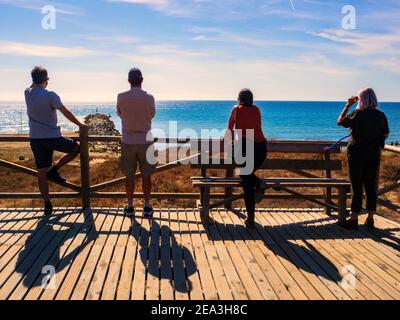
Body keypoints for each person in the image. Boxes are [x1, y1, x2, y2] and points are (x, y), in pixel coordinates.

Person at [25, 66, 87, 216]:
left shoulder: (27, 93)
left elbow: (31, 86)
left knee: (41, 172)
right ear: (46, 80)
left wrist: (36, 82)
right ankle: (55, 169)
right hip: (52, 137)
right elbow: (65, 112)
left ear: (33, 80)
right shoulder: (51, 95)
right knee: (76, 148)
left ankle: (47, 204)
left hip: (35, 138)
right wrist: (80, 125)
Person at [337, 88, 389, 230]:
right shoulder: (381, 115)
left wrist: (348, 105)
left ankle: (354, 220)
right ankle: (370, 219)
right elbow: (385, 133)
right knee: (371, 187)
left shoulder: (357, 113)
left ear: (361, 100)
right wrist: (375, 141)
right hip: (373, 155)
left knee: (357, 186)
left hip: (356, 154)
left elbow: (340, 121)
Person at [225, 89, 267, 228]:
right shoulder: (257, 110)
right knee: (246, 177)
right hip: (261, 148)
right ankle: (258, 184)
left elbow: (230, 129)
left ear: (239, 99)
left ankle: (251, 219)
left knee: (246, 180)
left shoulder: (236, 109)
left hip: (246, 148)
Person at [117, 68, 156, 218]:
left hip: (128, 140)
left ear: (128, 81)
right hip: (145, 140)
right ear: (142, 80)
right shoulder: (150, 98)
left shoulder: (121, 97)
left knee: (129, 175)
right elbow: (151, 115)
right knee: (146, 175)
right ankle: (147, 206)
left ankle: (130, 206)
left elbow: (120, 113)